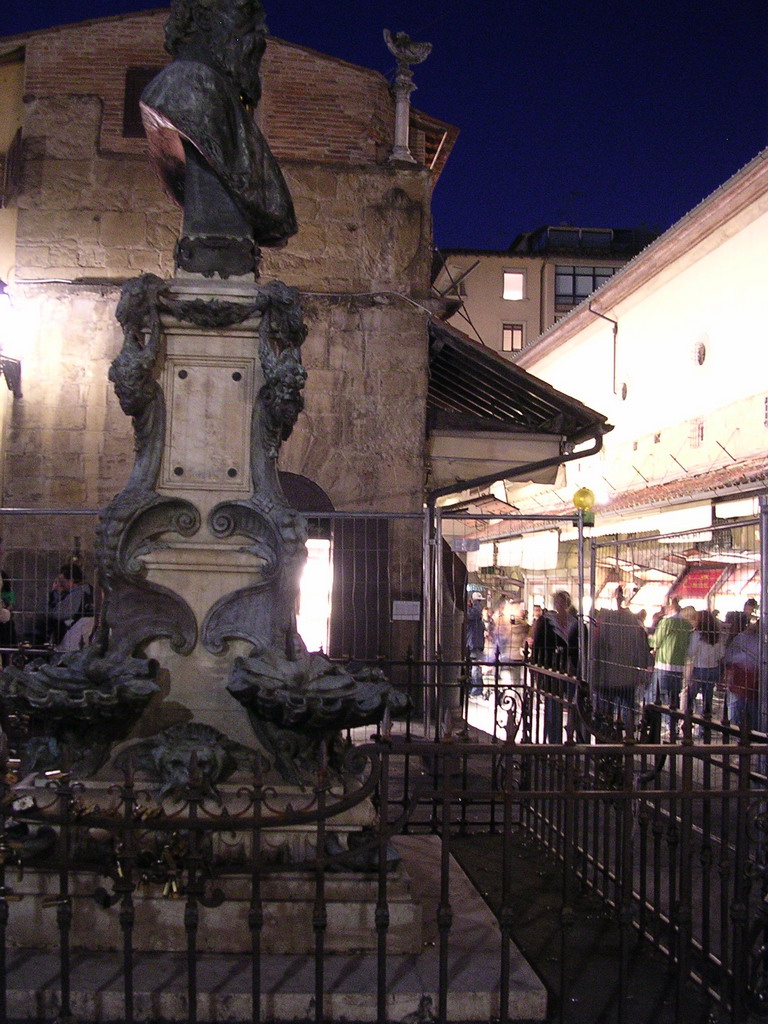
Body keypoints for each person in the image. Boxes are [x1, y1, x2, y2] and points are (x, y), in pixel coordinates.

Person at [140, 0, 297, 277]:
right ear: (204, 20)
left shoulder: (225, 100)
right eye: (244, 13)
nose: (259, 31)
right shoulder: (184, 87)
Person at [594, 586, 652, 729]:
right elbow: (641, 648)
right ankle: (628, 735)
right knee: (628, 708)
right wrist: (642, 669)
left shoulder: (604, 621)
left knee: (607, 709)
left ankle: (605, 736)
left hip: (608, 676)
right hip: (627, 676)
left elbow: (596, 647)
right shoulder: (634, 622)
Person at [532, 591, 583, 741]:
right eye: (558, 602)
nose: (560, 605)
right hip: (552, 669)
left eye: (563, 602)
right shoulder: (547, 622)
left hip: (571, 670)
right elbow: (539, 645)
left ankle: (571, 738)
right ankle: (554, 741)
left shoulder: (575, 624)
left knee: (573, 706)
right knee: (553, 708)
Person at [647, 598, 692, 709]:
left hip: (664, 664)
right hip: (680, 667)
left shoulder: (666, 622)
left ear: (670, 607)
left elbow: (656, 642)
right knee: (674, 699)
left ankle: (661, 723)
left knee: (659, 697)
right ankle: (672, 723)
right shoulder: (687, 625)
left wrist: (647, 637)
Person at [34, 564, 94, 646]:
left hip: (72, 638)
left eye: (62, 582)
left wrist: (55, 593)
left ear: (71, 580)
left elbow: (58, 613)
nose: (61, 585)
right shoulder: (88, 591)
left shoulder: (77, 594)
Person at [684, 609, 725, 719]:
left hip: (699, 668)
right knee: (708, 699)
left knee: (690, 697)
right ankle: (705, 726)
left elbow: (691, 651)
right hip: (713, 668)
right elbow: (721, 654)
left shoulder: (697, 635)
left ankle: (688, 720)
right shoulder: (717, 636)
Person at [723, 620, 759, 728]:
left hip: (739, 681)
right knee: (754, 714)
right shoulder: (753, 640)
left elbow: (729, 657)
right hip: (753, 682)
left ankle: (735, 735)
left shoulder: (740, 638)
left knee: (736, 713)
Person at [465, 593, 486, 697]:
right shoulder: (471, 613)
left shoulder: (477, 619)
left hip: (476, 643)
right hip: (473, 643)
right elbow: (476, 613)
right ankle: (476, 689)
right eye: (479, 601)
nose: (480, 604)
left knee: (476, 667)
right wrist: (476, 603)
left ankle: (477, 688)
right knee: (475, 667)